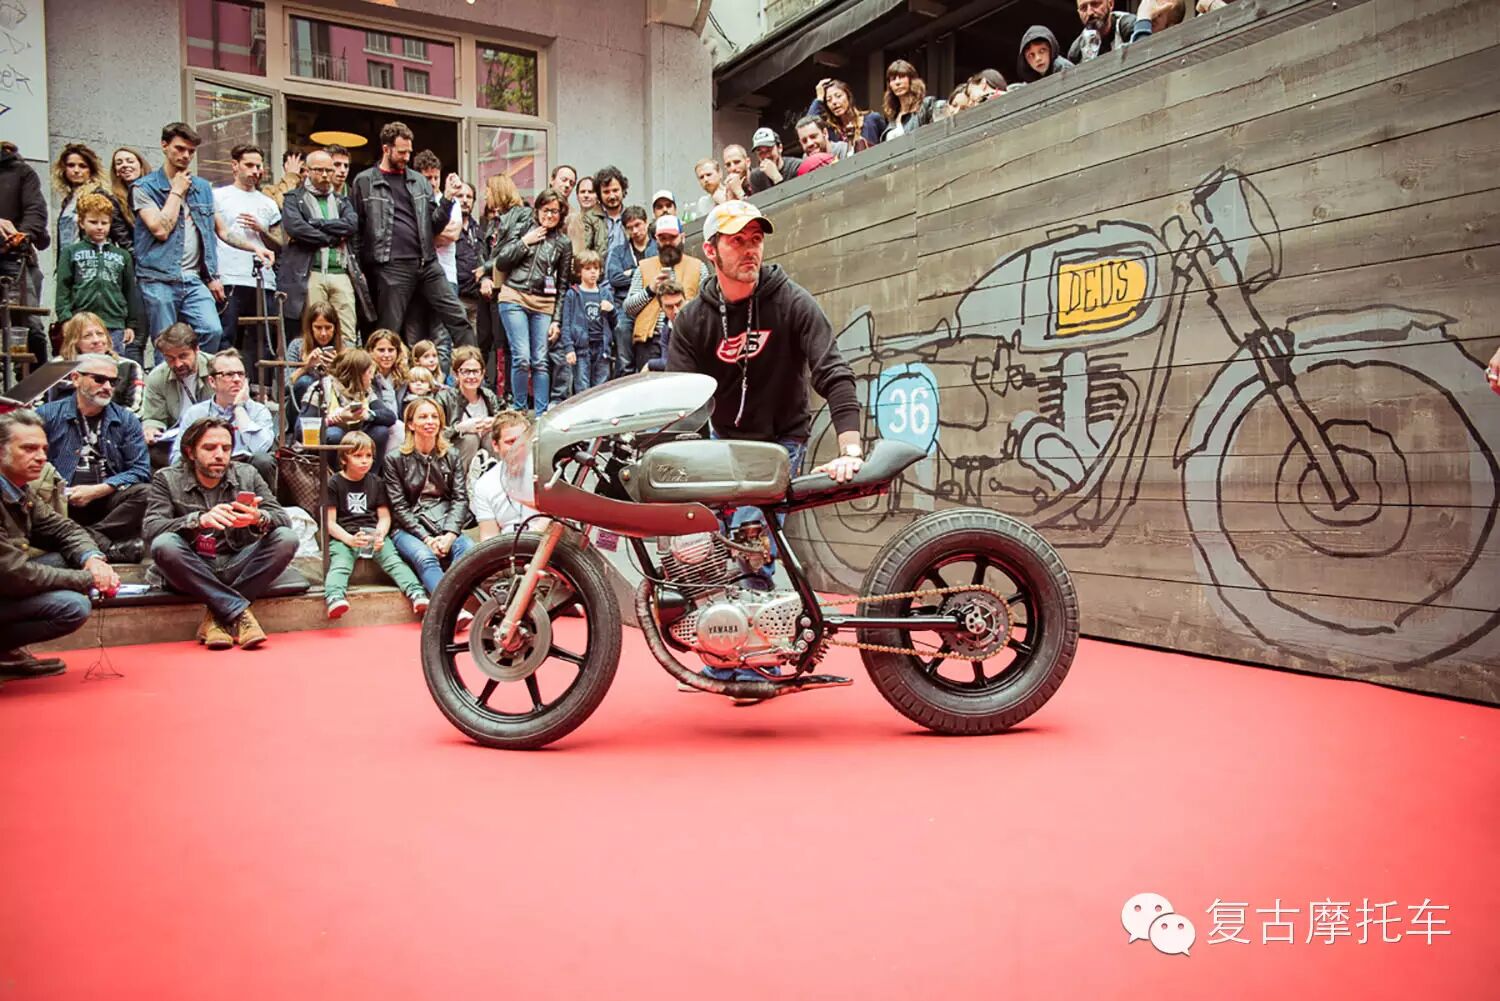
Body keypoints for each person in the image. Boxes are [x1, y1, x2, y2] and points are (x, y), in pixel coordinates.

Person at [667, 201, 864, 684]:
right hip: (721, 443)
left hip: (779, 441)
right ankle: (726, 652)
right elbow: (679, 403)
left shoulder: (791, 302)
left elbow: (833, 371)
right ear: (710, 250)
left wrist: (851, 447)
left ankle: (760, 660)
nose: (750, 248)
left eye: (756, 239)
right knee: (704, 549)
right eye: (737, 240)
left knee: (751, 542)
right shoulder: (693, 320)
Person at [144, 416, 297, 650]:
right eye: (209, 448)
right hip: (193, 567)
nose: (219, 455)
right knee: (164, 544)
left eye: (226, 448)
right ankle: (238, 612)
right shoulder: (167, 478)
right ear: (190, 452)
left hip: (239, 564)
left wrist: (258, 518)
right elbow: (151, 529)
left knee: (287, 538)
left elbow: (283, 519)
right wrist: (198, 520)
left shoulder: (248, 474)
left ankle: (217, 617)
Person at [134, 123, 275, 354]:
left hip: (193, 278)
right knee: (165, 341)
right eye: (180, 149)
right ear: (164, 146)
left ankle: (195, 374)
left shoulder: (202, 188)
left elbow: (223, 231)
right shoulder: (144, 187)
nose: (185, 155)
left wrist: (254, 248)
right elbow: (160, 229)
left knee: (212, 330)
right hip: (158, 277)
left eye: (191, 151)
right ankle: (168, 377)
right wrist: (177, 191)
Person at [0, 410, 119, 679]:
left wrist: (93, 560)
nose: (41, 457)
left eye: (44, 449)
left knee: (70, 558)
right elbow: (13, 574)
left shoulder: (19, 489)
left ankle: (5, 654)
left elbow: (63, 529)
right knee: (72, 607)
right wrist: (89, 579)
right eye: (29, 448)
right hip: (7, 577)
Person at [348, 121, 475, 370]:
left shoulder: (418, 181)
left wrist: (448, 199)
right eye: (401, 152)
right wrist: (362, 268)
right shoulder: (364, 181)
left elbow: (433, 225)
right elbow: (356, 230)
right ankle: (381, 382)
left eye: (409, 151)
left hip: (426, 262)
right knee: (388, 332)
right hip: (390, 265)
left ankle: (471, 368)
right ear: (386, 149)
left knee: (457, 316)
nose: (407, 157)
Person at [36, 352, 152, 562]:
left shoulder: (126, 419)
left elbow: (141, 470)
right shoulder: (47, 415)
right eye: (99, 379)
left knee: (149, 493)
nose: (107, 387)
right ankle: (106, 546)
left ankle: (86, 536)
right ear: (75, 378)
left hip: (108, 499)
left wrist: (100, 489)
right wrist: (61, 492)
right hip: (61, 499)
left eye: (113, 382)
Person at [322, 429, 429, 619]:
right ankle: (334, 597)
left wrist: (379, 535)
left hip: (373, 533)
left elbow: (384, 517)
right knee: (340, 564)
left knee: (394, 561)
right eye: (357, 456)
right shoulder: (334, 483)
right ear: (344, 459)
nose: (364, 461)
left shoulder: (377, 482)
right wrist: (349, 539)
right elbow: (329, 522)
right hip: (345, 536)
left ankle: (416, 592)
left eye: (368, 456)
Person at [382, 397, 474, 598]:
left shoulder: (452, 455)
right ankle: (449, 607)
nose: (430, 421)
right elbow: (399, 506)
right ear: (410, 424)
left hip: (444, 521)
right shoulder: (394, 459)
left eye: (434, 417)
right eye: (423, 417)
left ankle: (449, 603)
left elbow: (460, 498)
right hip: (408, 527)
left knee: (468, 549)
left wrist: (450, 534)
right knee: (425, 557)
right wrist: (426, 538)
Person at [492, 187, 573, 414]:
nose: (550, 215)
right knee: (522, 357)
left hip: (544, 303)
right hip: (514, 296)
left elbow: (563, 284)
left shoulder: (563, 243)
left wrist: (556, 320)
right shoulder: (522, 229)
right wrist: (524, 242)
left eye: (555, 211)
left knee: (540, 360)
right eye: (546, 210)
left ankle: (540, 414)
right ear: (537, 210)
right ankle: (519, 411)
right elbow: (501, 262)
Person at [278, 148, 366, 350]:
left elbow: (351, 224)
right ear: (307, 171)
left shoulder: (342, 200)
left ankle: (345, 368)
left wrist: (316, 223)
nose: (325, 175)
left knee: (347, 331)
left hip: (341, 270)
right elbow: (296, 227)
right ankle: (315, 369)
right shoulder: (294, 198)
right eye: (319, 170)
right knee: (314, 329)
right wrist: (330, 238)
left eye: (329, 170)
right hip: (311, 271)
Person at [213, 144, 283, 383]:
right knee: (227, 335)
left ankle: (260, 389)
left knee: (263, 340)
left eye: (259, 166)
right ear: (235, 166)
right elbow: (218, 233)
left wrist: (261, 229)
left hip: (264, 280)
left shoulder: (268, 203)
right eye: (249, 165)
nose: (255, 170)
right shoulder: (219, 196)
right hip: (230, 275)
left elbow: (280, 245)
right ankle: (224, 385)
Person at [54, 192, 143, 363]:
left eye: (104, 223)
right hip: (81, 323)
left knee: (113, 364)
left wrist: (130, 324)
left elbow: (130, 291)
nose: (100, 227)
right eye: (93, 222)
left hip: (114, 323)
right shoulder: (71, 252)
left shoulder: (122, 255)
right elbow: (63, 288)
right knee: (83, 365)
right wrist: (65, 318)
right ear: (81, 223)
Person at [170, 348, 278, 483]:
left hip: (247, 477)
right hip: (206, 472)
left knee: (263, 460)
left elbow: (261, 449)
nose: (237, 380)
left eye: (241, 374)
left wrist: (239, 408)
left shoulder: (259, 411)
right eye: (229, 374)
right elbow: (177, 457)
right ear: (212, 381)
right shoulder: (195, 413)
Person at [623, 215, 708, 372]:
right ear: (656, 240)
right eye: (663, 238)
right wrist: (650, 290)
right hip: (650, 340)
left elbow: (706, 307)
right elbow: (628, 308)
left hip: (686, 337)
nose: (668, 242)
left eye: (672, 237)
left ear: (682, 237)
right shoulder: (643, 267)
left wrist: (684, 305)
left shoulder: (698, 267)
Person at [476, 173, 529, 394]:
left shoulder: (523, 216)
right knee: (491, 341)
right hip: (492, 290)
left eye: (488, 191)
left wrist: (486, 268)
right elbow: (484, 253)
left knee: (508, 346)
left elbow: (511, 251)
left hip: (512, 288)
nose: (485, 196)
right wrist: (485, 277)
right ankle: (497, 392)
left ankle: (508, 394)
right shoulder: (493, 222)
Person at [0, 141, 50, 362]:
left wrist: (18, 237)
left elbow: (35, 211)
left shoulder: (21, 172)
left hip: (14, 259)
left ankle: (37, 383)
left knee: (31, 328)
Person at [307, 348, 396, 468]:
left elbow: (390, 416)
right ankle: (334, 476)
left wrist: (367, 415)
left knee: (381, 431)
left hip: (358, 438)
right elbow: (300, 430)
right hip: (330, 442)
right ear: (357, 374)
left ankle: (371, 476)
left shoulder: (366, 391)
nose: (372, 377)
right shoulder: (321, 388)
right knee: (334, 434)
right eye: (369, 372)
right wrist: (335, 419)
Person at [139, 322, 212, 467]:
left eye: (183, 356)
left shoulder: (216, 368)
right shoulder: (157, 376)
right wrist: (151, 428)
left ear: (196, 349)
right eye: (170, 358)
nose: (178, 364)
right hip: (176, 439)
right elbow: (154, 417)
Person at [46, 313, 145, 413]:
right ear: (74, 341)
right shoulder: (56, 366)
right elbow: (40, 405)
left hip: (116, 421)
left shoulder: (130, 366)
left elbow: (134, 409)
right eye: (87, 336)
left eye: (100, 334)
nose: (96, 340)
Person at [51, 144, 131, 257]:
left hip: (94, 261)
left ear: (91, 170)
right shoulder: (68, 200)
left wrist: (132, 262)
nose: (76, 170)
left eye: (82, 166)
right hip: (70, 261)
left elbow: (121, 234)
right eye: (71, 165)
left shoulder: (100, 195)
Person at [472, 410, 540, 539]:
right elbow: (489, 535)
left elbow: (557, 518)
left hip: (547, 541)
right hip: (507, 546)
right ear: (495, 445)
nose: (518, 446)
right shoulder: (484, 485)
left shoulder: (545, 472)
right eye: (511, 441)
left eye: (522, 440)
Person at [605, 205, 654, 376]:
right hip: (625, 304)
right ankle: (626, 374)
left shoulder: (656, 248)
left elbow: (658, 275)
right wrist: (640, 273)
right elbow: (614, 278)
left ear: (646, 223)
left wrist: (630, 272)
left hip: (652, 303)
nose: (635, 231)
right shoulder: (619, 251)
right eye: (630, 227)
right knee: (621, 328)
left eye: (638, 225)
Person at [438, 344, 501, 473]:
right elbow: (435, 434)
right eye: (466, 371)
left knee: (492, 437)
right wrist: (460, 428)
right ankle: (462, 482)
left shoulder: (489, 396)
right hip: (456, 454)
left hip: (487, 451)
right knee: (470, 439)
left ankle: (496, 478)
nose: (471, 377)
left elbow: (507, 422)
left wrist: (496, 423)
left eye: (476, 371)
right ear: (456, 374)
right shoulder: (444, 397)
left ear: (482, 373)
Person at [561, 249, 613, 392]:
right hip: (581, 348)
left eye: (596, 268)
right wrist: (569, 348)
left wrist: (612, 310)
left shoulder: (605, 293)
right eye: (588, 268)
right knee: (582, 388)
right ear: (579, 271)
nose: (593, 272)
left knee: (601, 388)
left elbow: (614, 324)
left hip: (602, 347)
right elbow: (566, 324)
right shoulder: (572, 294)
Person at [286, 302, 346, 410]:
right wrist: (305, 367)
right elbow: (285, 386)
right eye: (318, 327)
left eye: (328, 328)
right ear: (310, 328)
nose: (323, 333)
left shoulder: (344, 349)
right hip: (297, 406)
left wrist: (337, 368)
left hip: (333, 405)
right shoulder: (296, 346)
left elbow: (352, 387)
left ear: (335, 328)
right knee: (305, 382)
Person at [808, 79, 885, 152]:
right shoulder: (830, 131)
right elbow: (808, 126)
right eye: (829, 100)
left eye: (838, 96)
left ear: (848, 96)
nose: (834, 102)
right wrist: (819, 99)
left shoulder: (873, 119)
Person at [881, 60, 947, 141]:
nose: (897, 82)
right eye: (893, 79)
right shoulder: (892, 118)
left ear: (911, 80)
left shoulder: (926, 105)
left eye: (902, 77)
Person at [366, 329, 411, 436]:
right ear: (371, 351)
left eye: (391, 350)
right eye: (381, 350)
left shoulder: (404, 376)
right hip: (376, 426)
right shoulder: (367, 377)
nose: (386, 355)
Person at [579, 166, 628, 260]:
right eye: (606, 192)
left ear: (623, 190)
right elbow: (584, 253)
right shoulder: (590, 218)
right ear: (599, 194)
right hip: (601, 268)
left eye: (615, 190)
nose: (612, 196)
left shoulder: (630, 216)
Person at [1068, 0, 1140, 62]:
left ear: (1110, 4)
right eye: (1083, 8)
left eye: (1095, 4)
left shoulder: (1130, 26)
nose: (1089, 12)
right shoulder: (1077, 50)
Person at [642, 277, 685, 373]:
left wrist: (650, 364)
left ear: (686, 300)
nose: (676, 311)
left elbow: (682, 362)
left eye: (679, 304)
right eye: (669, 307)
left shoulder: (697, 324)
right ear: (661, 308)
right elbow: (667, 361)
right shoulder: (666, 328)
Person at [745, 128, 803, 196]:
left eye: (769, 150)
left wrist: (777, 178)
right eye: (761, 153)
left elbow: (797, 199)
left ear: (780, 148)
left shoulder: (796, 167)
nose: (766, 156)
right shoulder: (756, 176)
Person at [108, 148, 150, 227]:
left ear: (141, 166)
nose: (124, 165)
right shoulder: (114, 201)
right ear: (116, 171)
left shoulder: (156, 191)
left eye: (130, 161)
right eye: (119, 163)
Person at [566, 174, 599, 255]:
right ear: (577, 196)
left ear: (598, 196)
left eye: (590, 192)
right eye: (582, 192)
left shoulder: (604, 220)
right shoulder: (570, 220)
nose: (586, 195)